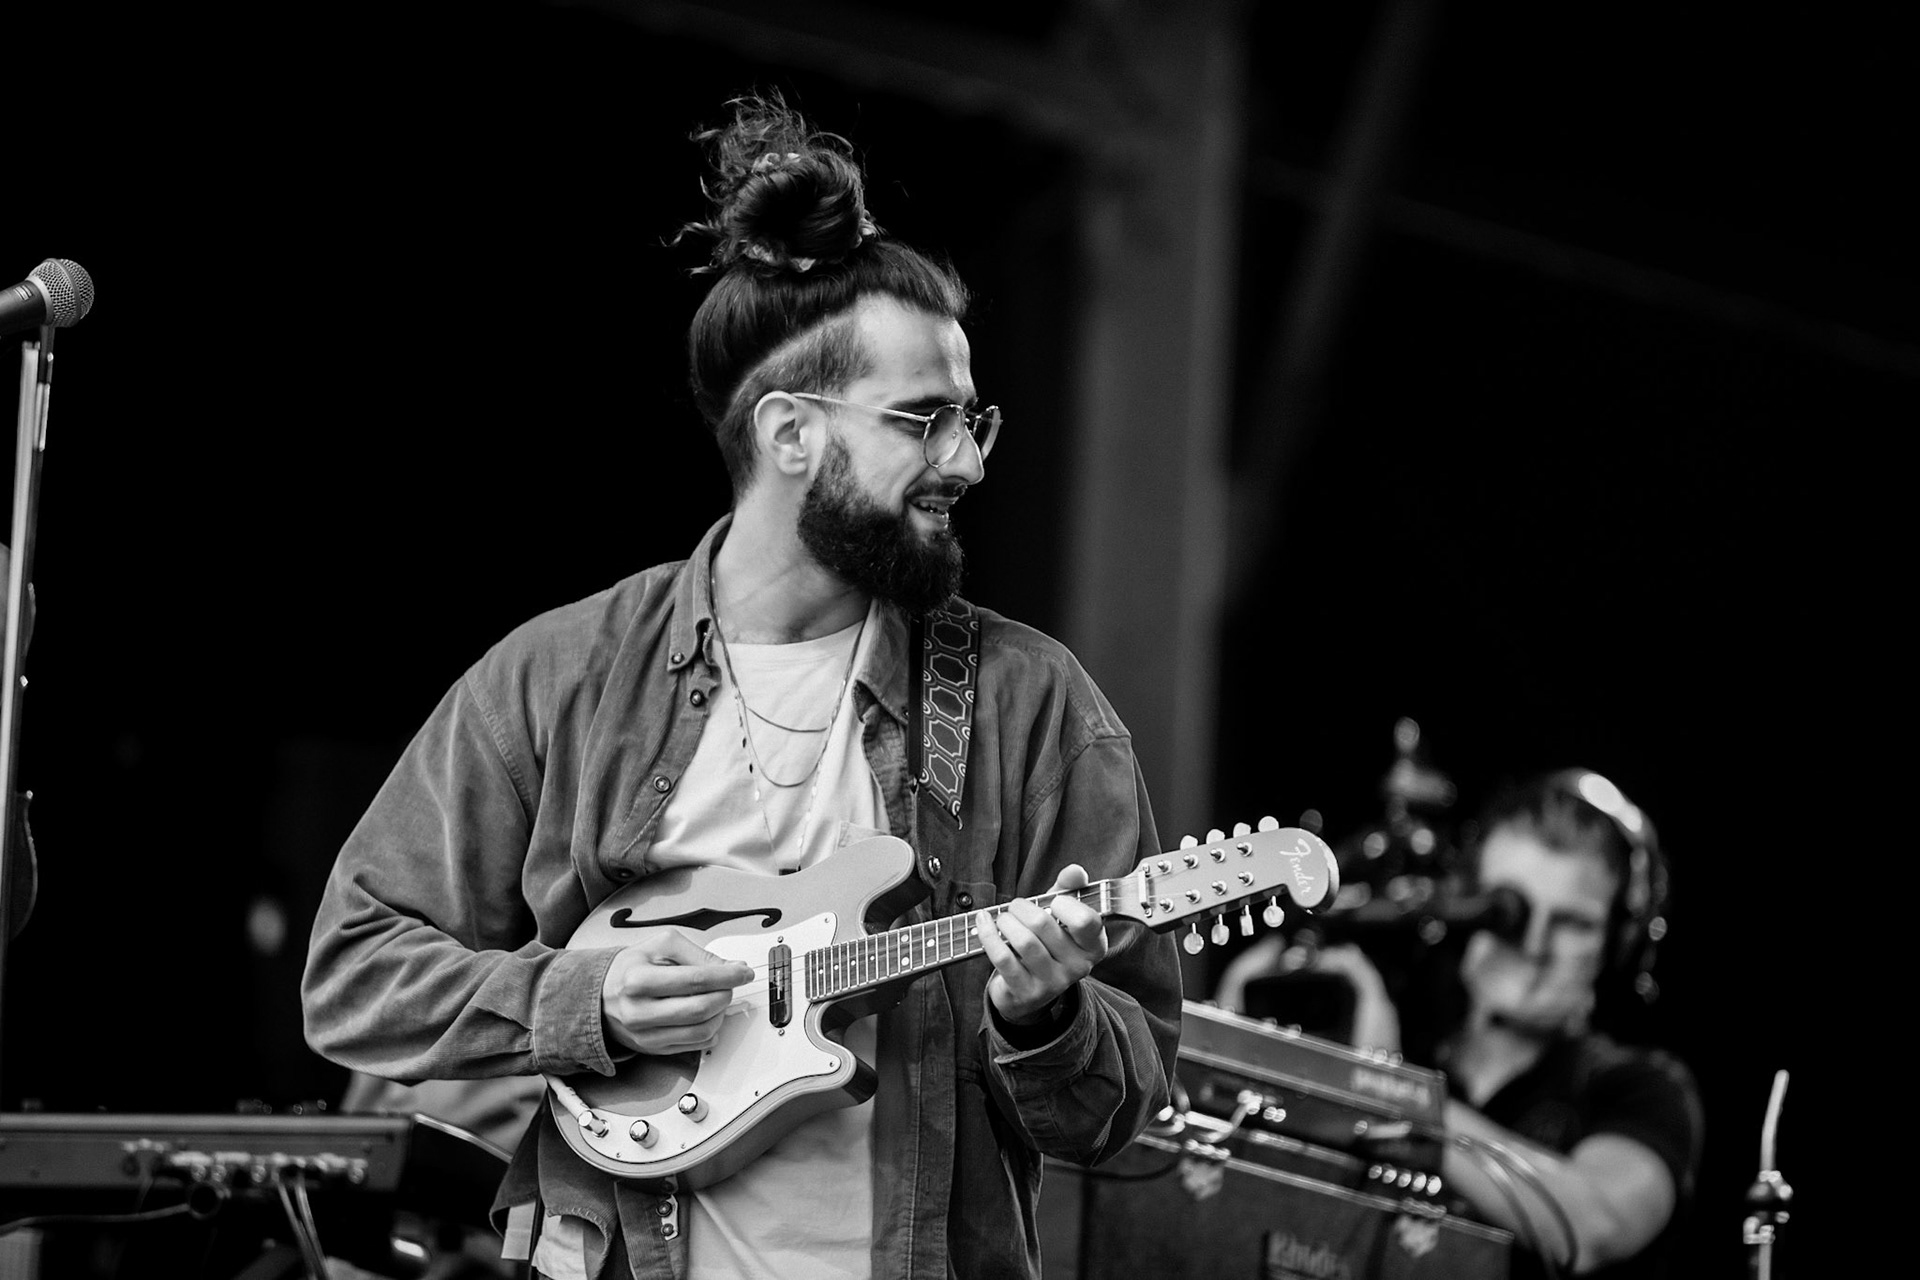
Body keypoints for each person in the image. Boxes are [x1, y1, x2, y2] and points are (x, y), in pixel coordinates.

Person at [302, 93, 1183, 1280]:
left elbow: (1122, 1105)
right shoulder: (563, 672)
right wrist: (583, 996)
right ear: (788, 433)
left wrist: (1044, 1012)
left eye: (974, 419)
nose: (966, 462)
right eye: (924, 419)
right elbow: (352, 973)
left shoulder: (1037, 707)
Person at [1218, 768, 1703, 1279]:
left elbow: (1590, 1228)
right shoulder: (1411, 1041)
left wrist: (1386, 1086)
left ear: (1617, 943)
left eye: (1573, 924)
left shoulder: (1643, 1088)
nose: (1534, 948)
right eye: (1505, 912)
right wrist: (1246, 1044)